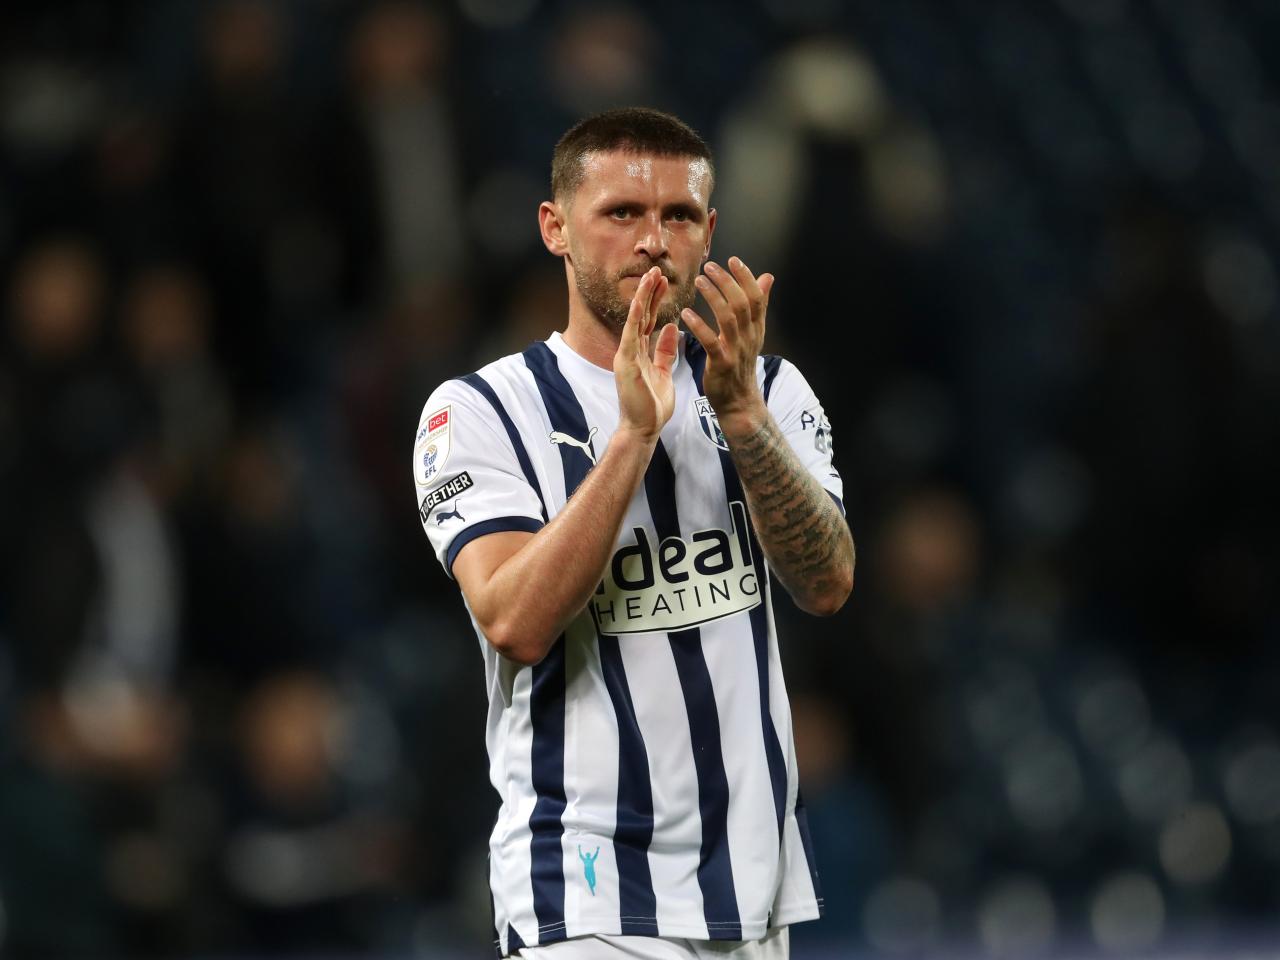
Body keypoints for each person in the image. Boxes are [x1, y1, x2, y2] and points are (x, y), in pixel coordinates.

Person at [413, 107, 855, 959]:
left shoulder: (768, 389)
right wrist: (631, 440)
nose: (653, 241)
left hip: (753, 893)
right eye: (622, 212)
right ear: (556, 228)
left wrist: (742, 419)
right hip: (588, 893)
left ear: (709, 233)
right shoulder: (478, 410)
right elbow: (513, 621)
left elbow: (827, 582)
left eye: (678, 216)